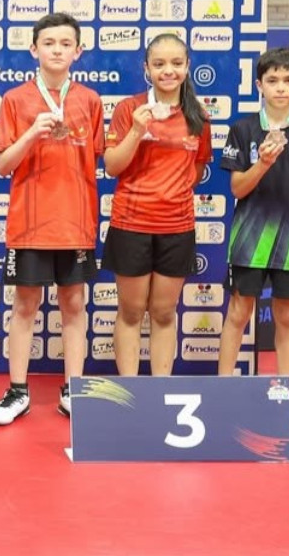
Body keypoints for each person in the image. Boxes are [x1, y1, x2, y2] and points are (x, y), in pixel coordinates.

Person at [0, 14, 103, 424]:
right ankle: (17, 391)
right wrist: (32, 132)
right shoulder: (15, 99)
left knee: (74, 304)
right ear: (34, 49)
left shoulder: (90, 100)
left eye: (65, 43)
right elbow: (2, 165)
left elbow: (97, 159)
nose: (57, 50)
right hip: (30, 224)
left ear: (78, 51)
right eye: (48, 43)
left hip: (76, 223)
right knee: (25, 305)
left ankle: (74, 389)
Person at [218, 48, 289, 429]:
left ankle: (283, 391)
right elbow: (237, 189)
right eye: (273, 80)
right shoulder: (243, 130)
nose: (281, 88)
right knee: (238, 312)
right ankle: (223, 389)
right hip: (249, 238)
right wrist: (263, 163)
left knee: (287, 316)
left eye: (288, 80)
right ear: (259, 85)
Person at [102, 34, 213, 376]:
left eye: (176, 63)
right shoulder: (128, 109)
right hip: (131, 225)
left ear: (187, 66)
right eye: (159, 64)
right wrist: (138, 131)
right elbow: (112, 166)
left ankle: (159, 389)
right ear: (146, 69)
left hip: (177, 227)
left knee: (164, 313)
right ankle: (131, 389)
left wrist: (170, 192)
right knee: (131, 312)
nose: (168, 71)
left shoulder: (198, 116)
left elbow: (196, 171)